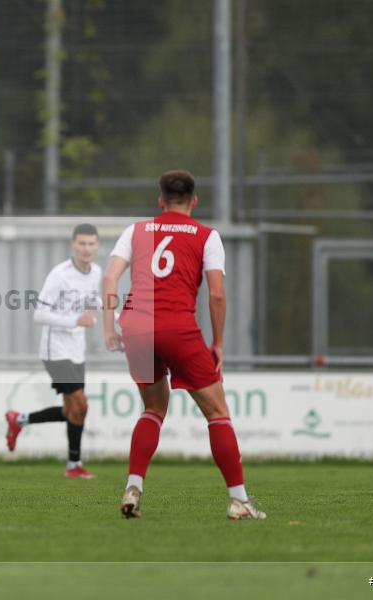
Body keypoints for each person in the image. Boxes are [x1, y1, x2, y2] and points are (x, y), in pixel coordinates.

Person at [102, 170, 266, 520]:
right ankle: (239, 499)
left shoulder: (137, 231)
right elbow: (217, 294)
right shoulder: (207, 237)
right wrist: (217, 342)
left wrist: (109, 327)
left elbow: (110, 277)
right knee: (218, 413)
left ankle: (134, 486)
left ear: (160, 200)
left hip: (137, 327)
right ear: (194, 201)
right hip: (177, 326)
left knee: (153, 410)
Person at [5, 223, 102, 479]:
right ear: (73, 245)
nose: (86, 249)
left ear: (97, 246)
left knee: (74, 410)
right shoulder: (60, 275)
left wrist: (95, 309)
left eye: (91, 244)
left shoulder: (97, 272)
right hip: (56, 351)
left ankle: (20, 419)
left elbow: (92, 301)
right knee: (81, 404)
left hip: (77, 350)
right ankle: (74, 465)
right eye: (82, 243)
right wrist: (74, 321)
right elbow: (39, 314)